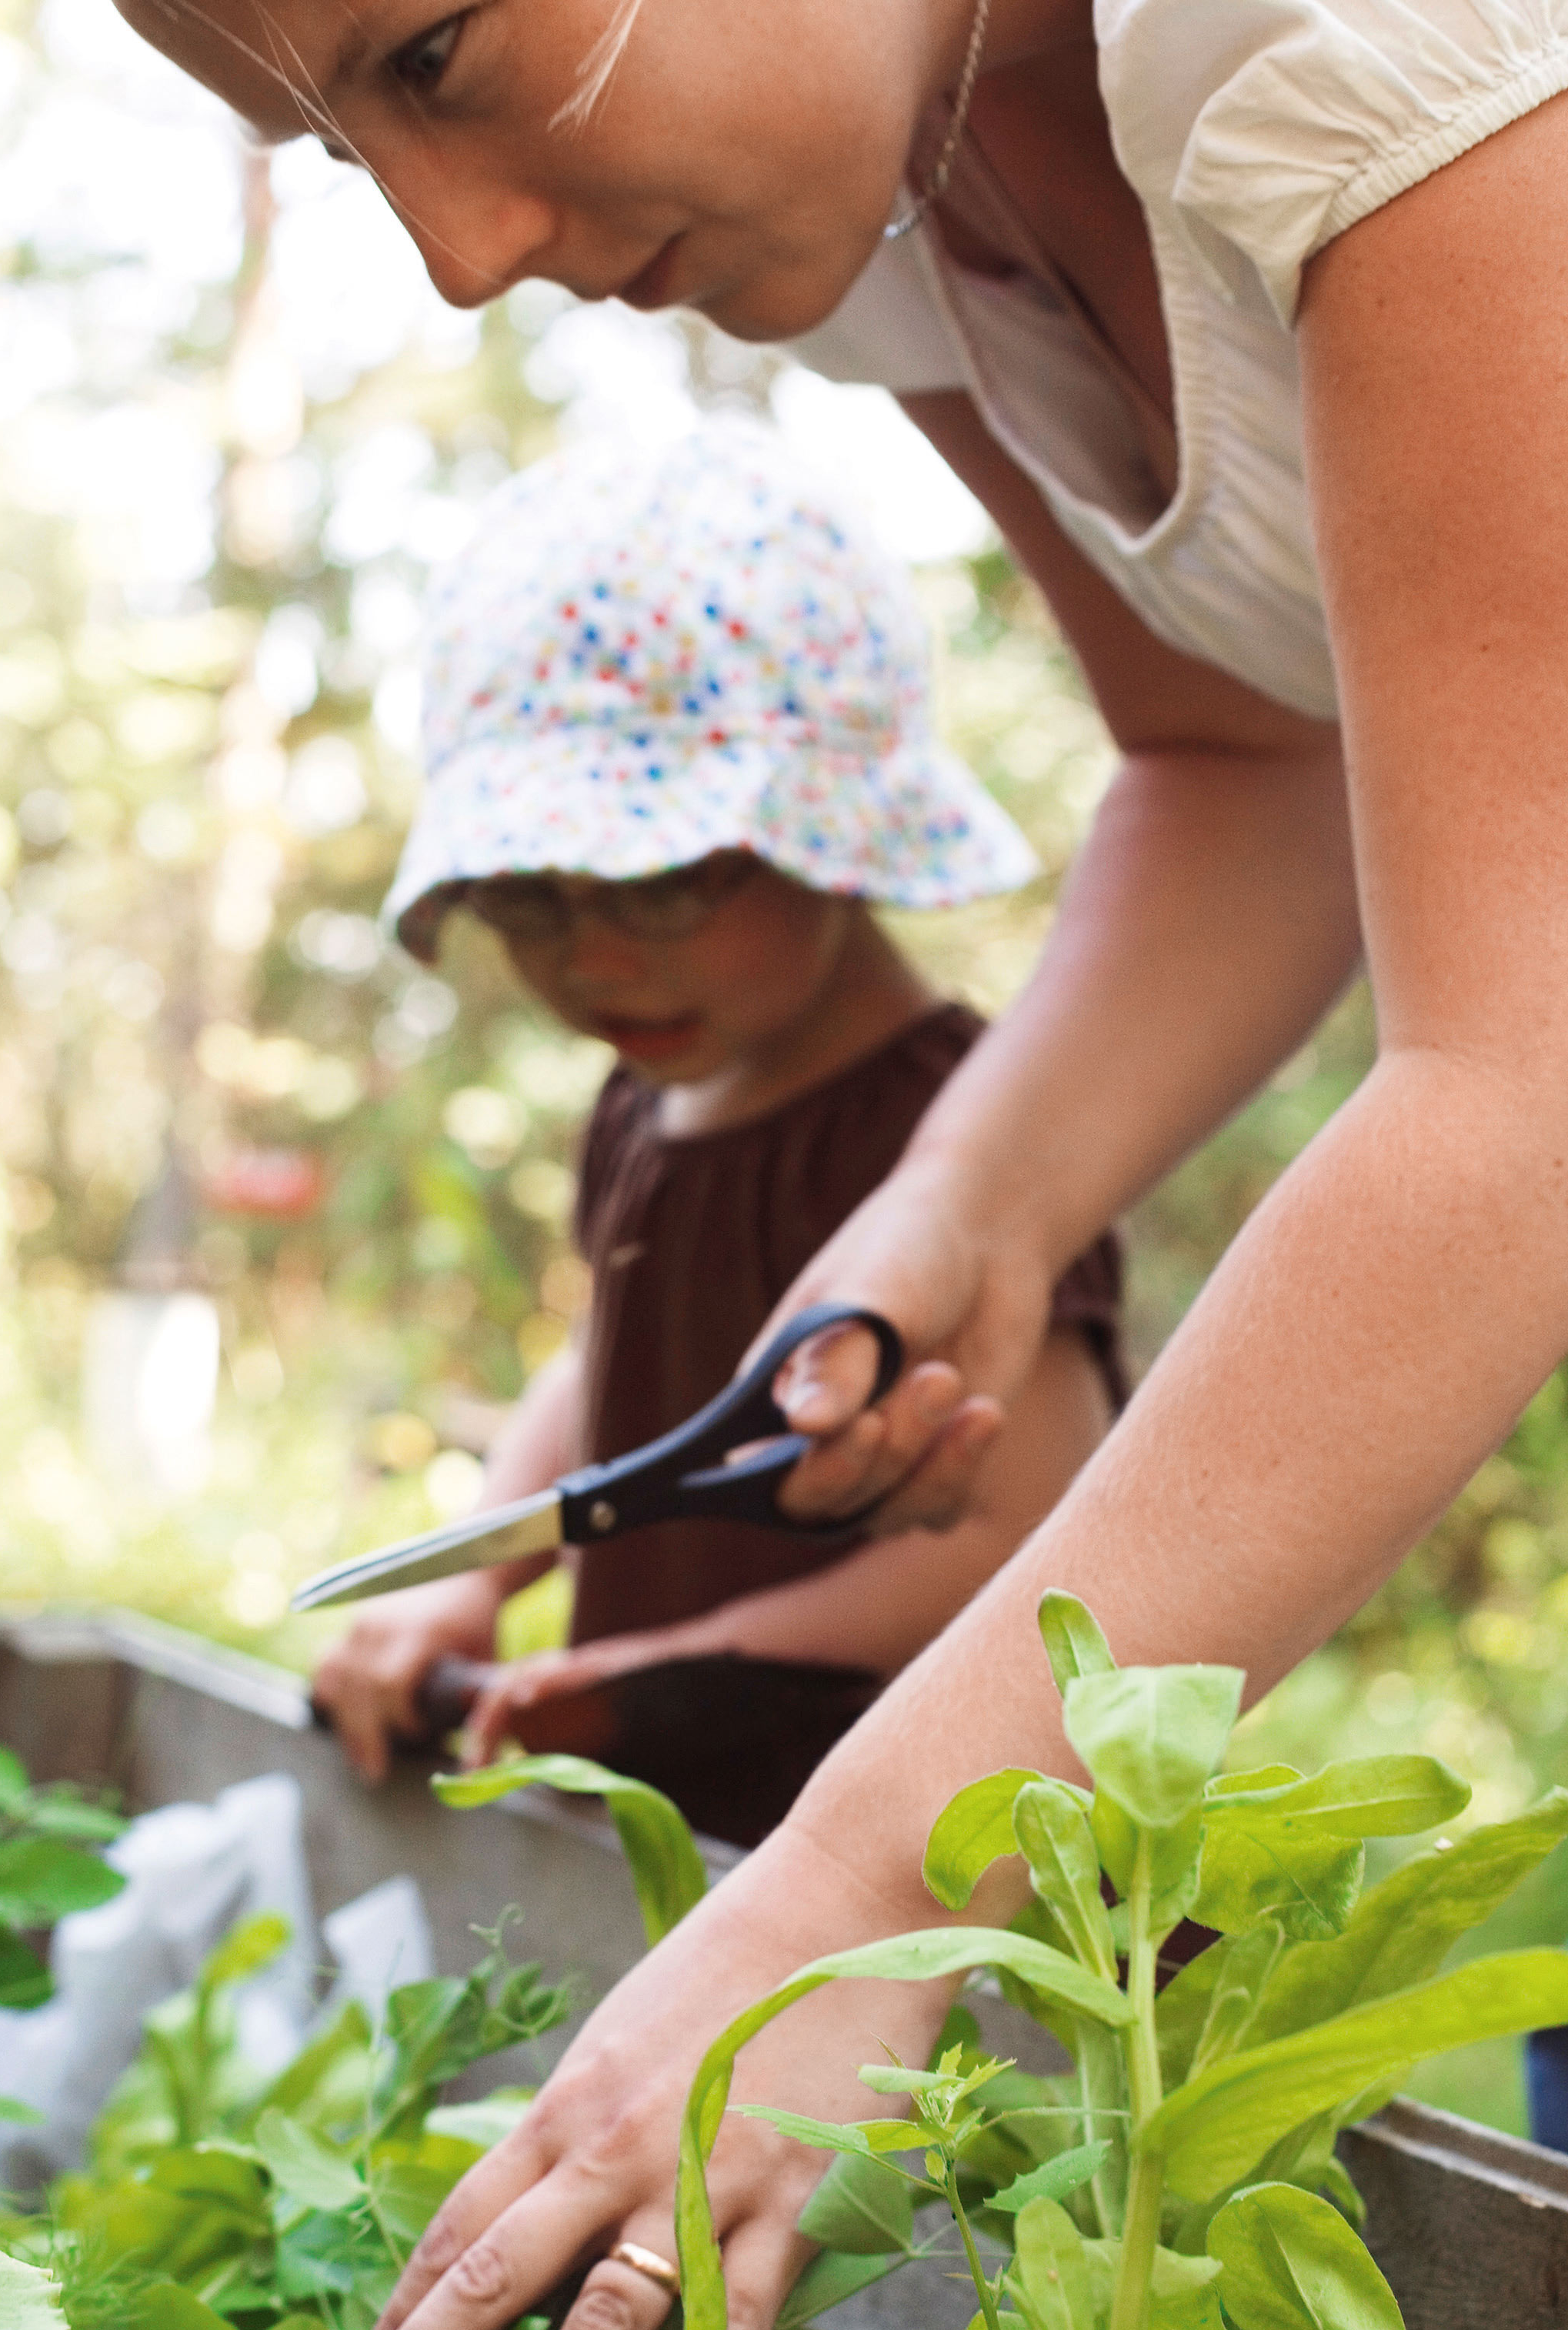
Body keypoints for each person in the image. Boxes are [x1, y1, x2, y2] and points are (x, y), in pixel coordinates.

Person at [115, 0, 1568, 2330]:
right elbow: (1236, 756)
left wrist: (860, 1871)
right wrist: (968, 1197)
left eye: (430, 47)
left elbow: (1547, 1070)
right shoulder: (896, 180)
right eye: (327, 147)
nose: (448, 252)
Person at [309, 427, 1123, 1845]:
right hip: (689, 1836)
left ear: (831, 832)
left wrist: (671, 1671)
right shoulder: (645, 1099)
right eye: (531, 899)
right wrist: (473, 1580)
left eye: (667, 880)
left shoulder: (960, 1134)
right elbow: (610, 1365)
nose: (595, 958)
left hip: (903, 1859)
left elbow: (1022, 1540)